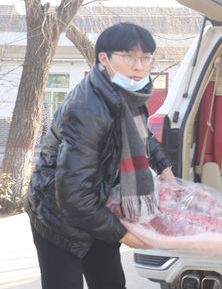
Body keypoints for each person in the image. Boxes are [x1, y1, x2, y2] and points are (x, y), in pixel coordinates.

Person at [25, 22, 175, 289]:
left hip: (97, 206)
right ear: (104, 59)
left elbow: (143, 138)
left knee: (110, 283)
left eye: (145, 58)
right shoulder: (87, 109)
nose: (139, 66)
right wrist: (123, 234)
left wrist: (165, 168)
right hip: (58, 216)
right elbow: (72, 195)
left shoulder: (129, 97)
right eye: (129, 57)